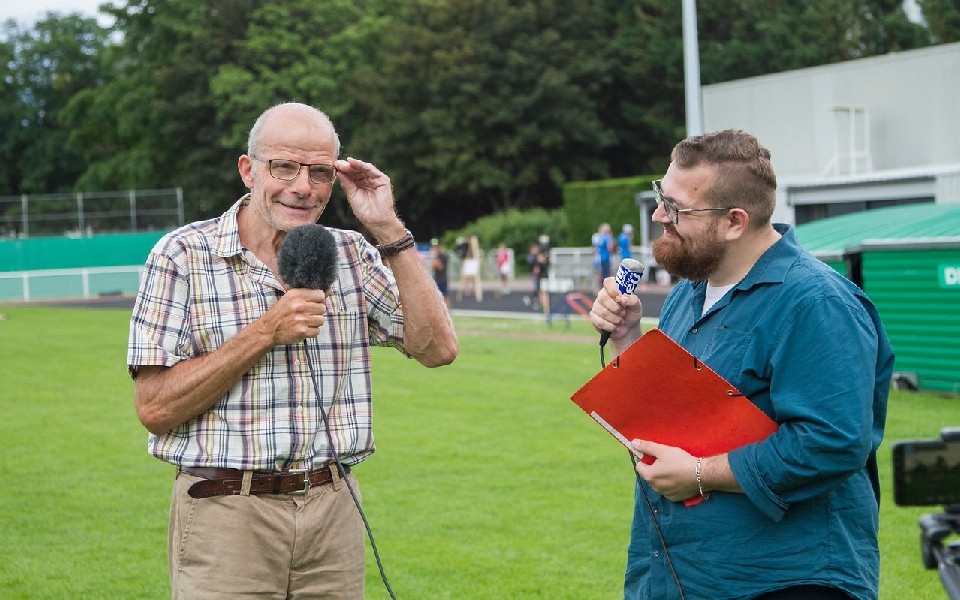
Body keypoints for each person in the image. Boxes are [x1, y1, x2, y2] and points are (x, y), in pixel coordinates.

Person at [126, 102, 458, 599]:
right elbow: (154, 407)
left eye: (320, 172)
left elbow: (437, 348)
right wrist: (264, 332)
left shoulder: (350, 252)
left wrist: (388, 230)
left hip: (333, 508)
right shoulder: (182, 255)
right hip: (226, 511)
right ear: (248, 170)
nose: (303, 186)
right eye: (285, 166)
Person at [589, 129, 894, 600]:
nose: (657, 217)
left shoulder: (817, 303)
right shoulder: (688, 293)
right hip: (683, 572)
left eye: (676, 209)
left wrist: (700, 474)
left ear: (734, 221)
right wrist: (629, 337)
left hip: (786, 578)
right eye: (660, 197)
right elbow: (669, 417)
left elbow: (833, 441)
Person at [431, 237, 451, 308]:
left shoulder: (442, 255)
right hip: (439, 279)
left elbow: (437, 265)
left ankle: (448, 311)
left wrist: (433, 255)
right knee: (440, 296)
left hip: (441, 279)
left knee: (444, 296)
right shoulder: (439, 255)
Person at [593, 223, 614, 289]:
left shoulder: (598, 238)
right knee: (606, 275)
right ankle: (606, 288)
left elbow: (595, 249)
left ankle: (598, 288)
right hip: (606, 258)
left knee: (599, 274)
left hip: (599, 258)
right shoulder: (607, 238)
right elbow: (610, 247)